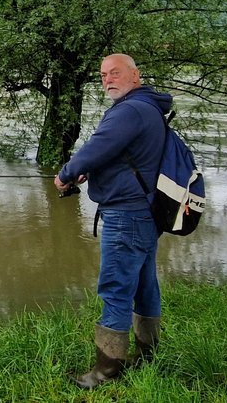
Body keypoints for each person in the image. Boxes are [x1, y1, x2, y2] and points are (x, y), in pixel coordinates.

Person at [54, 53, 171, 389]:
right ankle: (148, 355)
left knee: (116, 288)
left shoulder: (130, 110)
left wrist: (66, 175)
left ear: (135, 74)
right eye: (103, 75)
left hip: (126, 214)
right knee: (145, 285)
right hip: (146, 211)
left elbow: (97, 146)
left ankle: (106, 370)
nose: (108, 79)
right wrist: (93, 171)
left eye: (115, 73)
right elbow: (123, 155)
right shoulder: (148, 107)